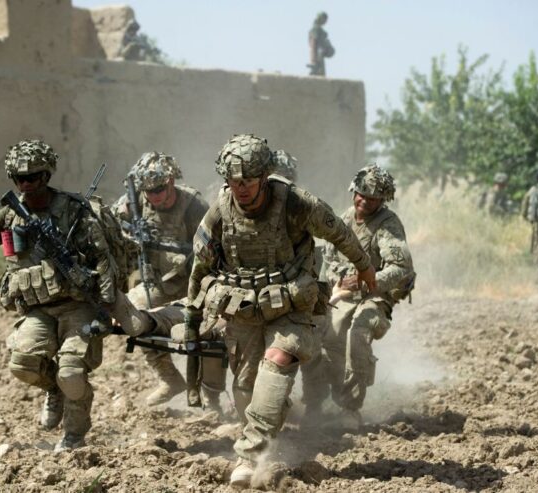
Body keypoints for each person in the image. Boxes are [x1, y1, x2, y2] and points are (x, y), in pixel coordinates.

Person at [0, 139, 153, 451]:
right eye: (19, 179)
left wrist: (106, 308)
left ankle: (74, 435)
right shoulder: (9, 217)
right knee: (23, 364)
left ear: (46, 176)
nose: (26, 184)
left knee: (72, 370)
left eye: (33, 177)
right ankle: (55, 390)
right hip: (39, 309)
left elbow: (103, 262)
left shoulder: (74, 213)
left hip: (78, 306)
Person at [183, 134, 376, 487]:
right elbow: (200, 263)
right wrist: (193, 315)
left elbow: (341, 233)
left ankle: (249, 456)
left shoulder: (296, 204)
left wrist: (364, 268)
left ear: (264, 177)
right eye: (234, 182)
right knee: (245, 390)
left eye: (248, 181)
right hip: (243, 310)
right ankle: (269, 424)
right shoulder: (220, 210)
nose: (240, 189)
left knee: (278, 359)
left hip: (293, 306)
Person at [301, 165, 415, 430]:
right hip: (342, 297)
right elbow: (328, 258)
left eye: (373, 198)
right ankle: (314, 404)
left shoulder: (388, 225)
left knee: (358, 335)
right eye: (361, 194)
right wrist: (336, 284)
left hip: (375, 299)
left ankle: (350, 408)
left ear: (383, 200)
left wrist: (366, 283)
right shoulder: (345, 219)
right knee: (321, 337)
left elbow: (401, 268)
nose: (364, 201)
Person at [112, 152, 216, 406]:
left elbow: (213, 250)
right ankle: (170, 379)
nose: (154, 196)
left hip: (193, 283)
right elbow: (109, 230)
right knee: (132, 316)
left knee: (208, 333)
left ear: (171, 181)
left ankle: (212, 393)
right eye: (148, 191)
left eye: (159, 189)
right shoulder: (133, 204)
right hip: (157, 283)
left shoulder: (193, 206)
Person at [308, 12, 335, 76]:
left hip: (321, 54)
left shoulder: (319, 29)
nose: (325, 21)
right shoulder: (315, 29)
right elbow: (313, 44)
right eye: (324, 19)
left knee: (321, 74)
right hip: (318, 54)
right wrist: (313, 60)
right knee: (318, 73)